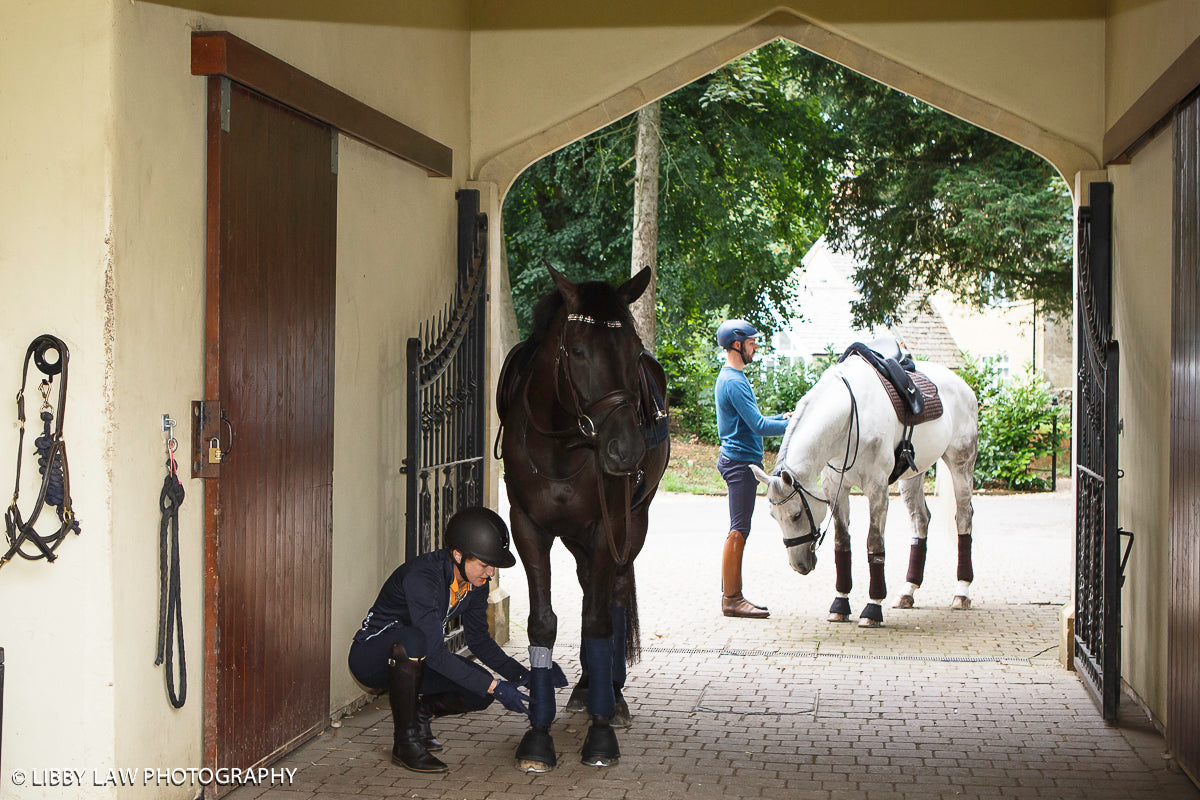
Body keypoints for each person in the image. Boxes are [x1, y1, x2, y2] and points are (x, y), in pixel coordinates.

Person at [348, 506, 532, 773]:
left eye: (492, 566)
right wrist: (497, 686)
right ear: (458, 555)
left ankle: (420, 712)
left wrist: (521, 676)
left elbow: (479, 641)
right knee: (413, 640)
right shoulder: (422, 577)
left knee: (479, 693)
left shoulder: (474, 583)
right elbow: (434, 653)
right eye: (484, 564)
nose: (490, 572)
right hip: (371, 658)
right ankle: (406, 744)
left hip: (417, 658)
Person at [714, 319, 791, 619]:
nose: (756, 346)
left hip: (739, 461)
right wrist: (792, 424)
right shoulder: (733, 382)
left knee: (739, 527)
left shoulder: (734, 376)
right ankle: (732, 598)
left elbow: (754, 419)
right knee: (739, 529)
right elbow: (759, 425)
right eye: (751, 342)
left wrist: (781, 417)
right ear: (737, 345)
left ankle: (731, 595)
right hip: (740, 465)